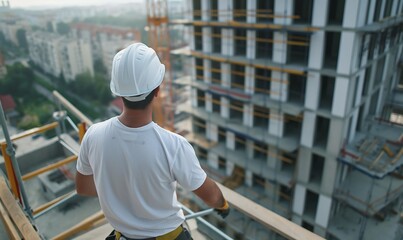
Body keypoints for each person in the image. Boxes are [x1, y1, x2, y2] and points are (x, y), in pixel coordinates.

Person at [75, 42, 230, 240]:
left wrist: (120, 189)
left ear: (118, 91)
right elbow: (210, 195)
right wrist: (222, 204)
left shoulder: (93, 135)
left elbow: (84, 187)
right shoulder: (174, 145)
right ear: (157, 90)